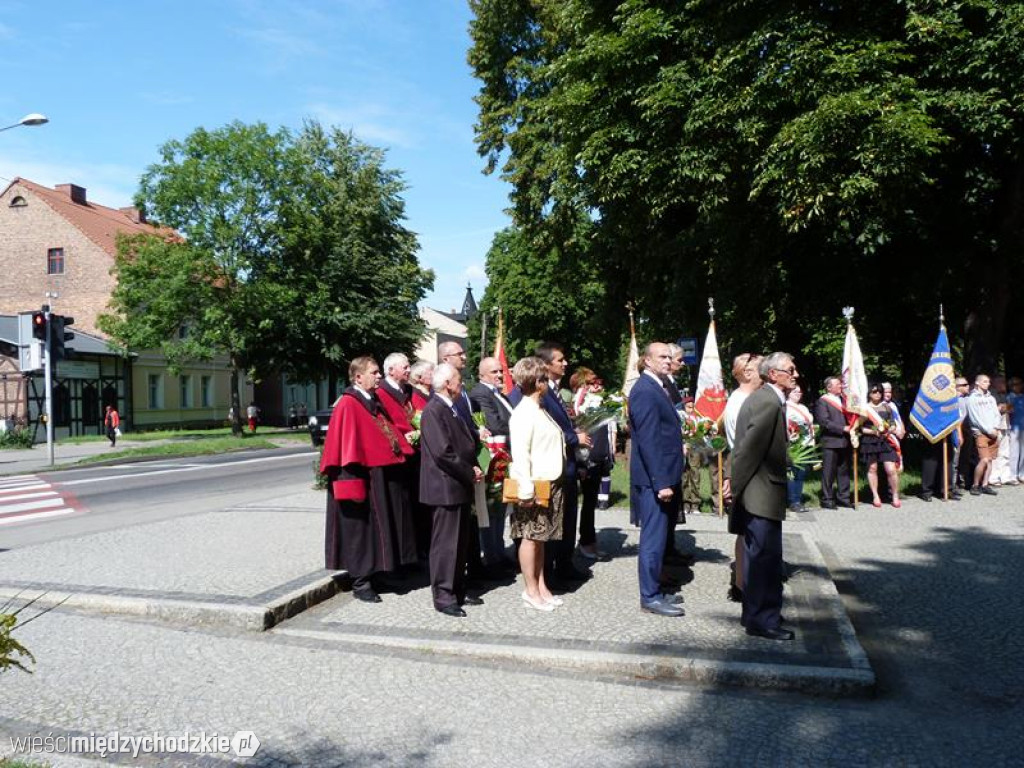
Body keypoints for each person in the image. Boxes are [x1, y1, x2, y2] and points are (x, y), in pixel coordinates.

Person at [319, 356, 417, 603]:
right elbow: (345, 446)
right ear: (358, 377)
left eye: (378, 372)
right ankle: (361, 581)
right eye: (374, 372)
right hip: (356, 476)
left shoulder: (371, 400)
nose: (379, 376)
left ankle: (378, 572)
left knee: (379, 527)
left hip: (376, 474)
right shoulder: (349, 404)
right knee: (359, 530)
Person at [729, 352, 799, 641]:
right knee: (764, 559)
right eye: (789, 370)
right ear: (773, 375)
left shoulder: (763, 399)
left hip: (759, 492)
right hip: (761, 493)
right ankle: (763, 620)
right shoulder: (768, 402)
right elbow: (748, 450)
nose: (795, 374)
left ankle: (757, 613)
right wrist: (735, 487)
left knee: (761, 557)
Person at [419, 363, 485, 617]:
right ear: (447, 383)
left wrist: (475, 466)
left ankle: (456, 589)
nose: (462, 382)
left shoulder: (452, 407)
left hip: (457, 485)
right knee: (446, 544)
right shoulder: (434, 410)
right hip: (445, 487)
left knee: (459, 543)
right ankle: (443, 596)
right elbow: (443, 452)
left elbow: (465, 442)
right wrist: (469, 471)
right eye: (458, 378)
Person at [628, 342, 686, 618]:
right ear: (647, 361)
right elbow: (649, 440)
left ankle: (655, 588)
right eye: (662, 357)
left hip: (663, 474)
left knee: (660, 536)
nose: (668, 360)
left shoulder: (656, 387)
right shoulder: (645, 391)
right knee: (652, 538)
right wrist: (661, 481)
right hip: (654, 479)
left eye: (669, 356)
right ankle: (649, 596)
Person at [508, 356, 567, 611]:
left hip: (550, 481)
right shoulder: (523, 412)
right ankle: (530, 590)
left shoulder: (539, 408)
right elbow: (521, 454)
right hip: (534, 485)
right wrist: (526, 490)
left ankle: (541, 586)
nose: (548, 381)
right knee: (530, 538)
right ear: (537, 382)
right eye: (544, 377)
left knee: (541, 539)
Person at [533, 342, 592, 588]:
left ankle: (565, 564)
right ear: (546, 365)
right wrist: (572, 437)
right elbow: (545, 429)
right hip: (554, 466)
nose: (565, 363)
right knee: (554, 522)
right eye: (560, 360)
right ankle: (551, 572)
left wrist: (574, 430)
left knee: (568, 520)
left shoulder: (556, 390)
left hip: (567, 465)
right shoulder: (542, 392)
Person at [470, 356, 516, 571]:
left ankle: (498, 551)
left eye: (500, 371)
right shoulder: (481, 393)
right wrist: (520, 426)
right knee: (491, 508)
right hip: (494, 459)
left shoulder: (499, 394)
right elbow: (495, 424)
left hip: (505, 459)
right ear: (482, 375)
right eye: (494, 372)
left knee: (501, 506)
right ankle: (492, 556)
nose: (500, 375)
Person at [722, 353, 762, 602]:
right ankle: (743, 585)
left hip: (746, 468)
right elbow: (743, 444)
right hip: (747, 471)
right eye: (761, 368)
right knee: (748, 529)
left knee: (746, 529)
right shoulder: (740, 401)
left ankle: (742, 583)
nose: (765, 372)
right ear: (747, 373)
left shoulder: (747, 398)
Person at [570, 368, 613, 561]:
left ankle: (590, 540)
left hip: (599, 457)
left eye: (596, 382)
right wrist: (582, 463)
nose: (596, 386)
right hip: (586, 460)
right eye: (590, 383)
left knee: (591, 503)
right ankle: (585, 542)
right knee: (585, 505)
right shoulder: (579, 406)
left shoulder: (596, 404)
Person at [860, 385, 902, 508]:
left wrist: (891, 429)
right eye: (874, 391)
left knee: (891, 469)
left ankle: (895, 495)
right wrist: (873, 431)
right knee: (872, 469)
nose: (877, 394)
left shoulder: (887, 407)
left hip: (885, 440)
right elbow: (860, 427)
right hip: (870, 441)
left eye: (880, 392)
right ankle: (875, 496)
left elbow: (893, 423)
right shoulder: (864, 409)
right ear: (869, 393)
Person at [814, 376, 853, 509]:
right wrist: (843, 428)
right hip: (831, 441)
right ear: (829, 387)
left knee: (844, 471)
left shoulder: (844, 400)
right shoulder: (822, 401)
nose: (841, 386)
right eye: (837, 384)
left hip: (845, 441)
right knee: (828, 472)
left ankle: (844, 497)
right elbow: (824, 422)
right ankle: (827, 499)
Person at [966, 374, 1001, 496]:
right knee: (984, 459)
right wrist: (988, 430)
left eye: (989, 381)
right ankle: (975, 485)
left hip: (994, 432)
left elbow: (997, 414)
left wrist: (996, 427)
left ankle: (985, 484)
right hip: (981, 433)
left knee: (990, 460)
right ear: (978, 383)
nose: (988, 383)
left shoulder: (991, 398)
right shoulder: (972, 399)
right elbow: (975, 418)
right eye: (985, 381)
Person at [785, 385, 814, 512]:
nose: (798, 393)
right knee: (793, 473)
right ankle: (793, 501)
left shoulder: (803, 407)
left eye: (799, 391)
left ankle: (798, 498)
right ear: (788, 393)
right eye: (794, 391)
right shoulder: (785, 406)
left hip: (806, 444)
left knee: (801, 474)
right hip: (794, 444)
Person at [989, 375, 1015, 486]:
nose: (1004, 384)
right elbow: (1002, 408)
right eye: (1002, 382)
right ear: (995, 383)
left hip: (1006, 426)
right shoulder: (992, 395)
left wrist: (1006, 407)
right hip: (997, 427)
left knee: (1005, 453)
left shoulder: (1003, 395)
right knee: (996, 453)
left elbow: (1009, 408)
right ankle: (994, 477)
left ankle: (1005, 476)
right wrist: (1006, 407)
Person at [1008, 376, 1024, 483]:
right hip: (1014, 427)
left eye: (1019, 384)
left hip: (1023, 426)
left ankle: (1022, 473)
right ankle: (1012, 475)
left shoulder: (1023, 397)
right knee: (1014, 452)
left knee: (1023, 452)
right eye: (1014, 384)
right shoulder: (1009, 397)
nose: (1017, 386)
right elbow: (1009, 413)